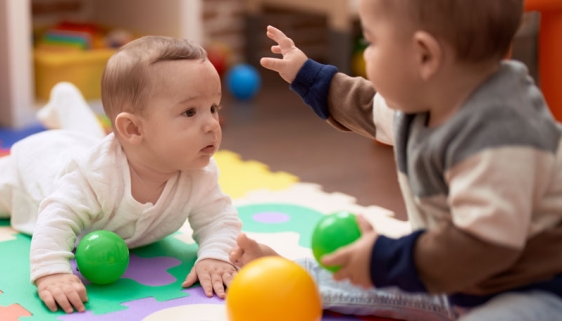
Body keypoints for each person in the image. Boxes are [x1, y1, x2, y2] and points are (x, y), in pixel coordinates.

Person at [232, 0, 562, 320]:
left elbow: (482, 245)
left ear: (424, 55)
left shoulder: (501, 133)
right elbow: (363, 104)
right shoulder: (425, 100)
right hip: (453, 274)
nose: (366, 53)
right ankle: (291, 275)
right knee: (371, 267)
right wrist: (307, 74)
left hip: (535, 288)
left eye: (370, 41)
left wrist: (382, 258)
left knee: (388, 264)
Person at [0, 36, 243, 314]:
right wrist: (52, 272)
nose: (212, 124)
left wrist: (215, 256)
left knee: (88, 140)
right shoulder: (94, 176)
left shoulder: (199, 172)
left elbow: (219, 220)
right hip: (35, 170)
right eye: (190, 112)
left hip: (87, 145)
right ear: (132, 128)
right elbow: (57, 219)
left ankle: (66, 101)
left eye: (214, 108)